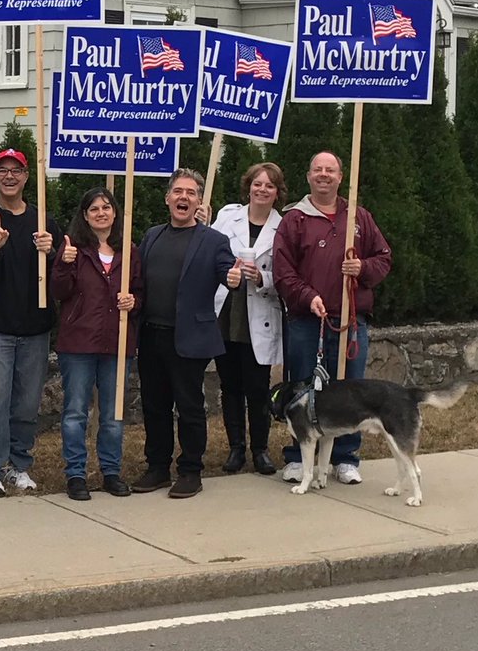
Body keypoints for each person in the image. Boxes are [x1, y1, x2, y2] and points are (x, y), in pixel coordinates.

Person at [272, 150, 392, 485]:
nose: (324, 175)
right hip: (308, 321)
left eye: (331, 170)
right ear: (309, 176)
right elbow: (283, 272)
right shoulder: (294, 219)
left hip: (350, 322)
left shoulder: (358, 217)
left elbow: (383, 258)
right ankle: (299, 456)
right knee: (304, 391)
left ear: (340, 177)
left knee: (351, 391)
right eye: (318, 169)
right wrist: (308, 297)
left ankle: (346, 457)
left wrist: (363, 268)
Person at [131, 168, 238, 499]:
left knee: (189, 407)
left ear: (198, 202)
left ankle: (191, 470)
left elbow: (229, 274)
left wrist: (235, 278)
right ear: (168, 198)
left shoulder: (214, 241)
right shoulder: (151, 236)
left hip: (190, 337)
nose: (183, 197)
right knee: (154, 405)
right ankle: (158, 467)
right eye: (178, 191)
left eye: (191, 193)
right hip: (152, 335)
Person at [0, 148, 59, 496]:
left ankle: (18, 465)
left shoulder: (43, 221)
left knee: (26, 404)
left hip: (36, 328)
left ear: (25, 177)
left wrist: (52, 252)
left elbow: (64, 275)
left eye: (16, 171)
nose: (9, 176)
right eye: (2, 170)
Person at [51, 187, 142, 501]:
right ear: (85, 215)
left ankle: (111, 472)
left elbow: (141, 292)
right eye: (94, 209)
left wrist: (135, 301)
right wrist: (63, 263)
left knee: (113, 413)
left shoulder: (128, 250)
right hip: (78, 342)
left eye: (106, 207)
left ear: (115, 213)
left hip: (117, 343)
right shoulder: (73, 248)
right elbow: (58, 292)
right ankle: (76, 474)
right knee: (76, 411)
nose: (101, 213)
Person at [211, 162, 286, 476]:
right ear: (249, 186)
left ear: (277, 192)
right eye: (258, 184)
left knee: (257, 386)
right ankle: (236, 449)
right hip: (227, 311)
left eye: (269, 186)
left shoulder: (284, 226)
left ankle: (260, 450)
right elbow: (209, 252)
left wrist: (261, 278)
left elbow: (286, 274)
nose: (262, 190)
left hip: (259, 313)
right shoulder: (228, 217)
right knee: (230, 386)